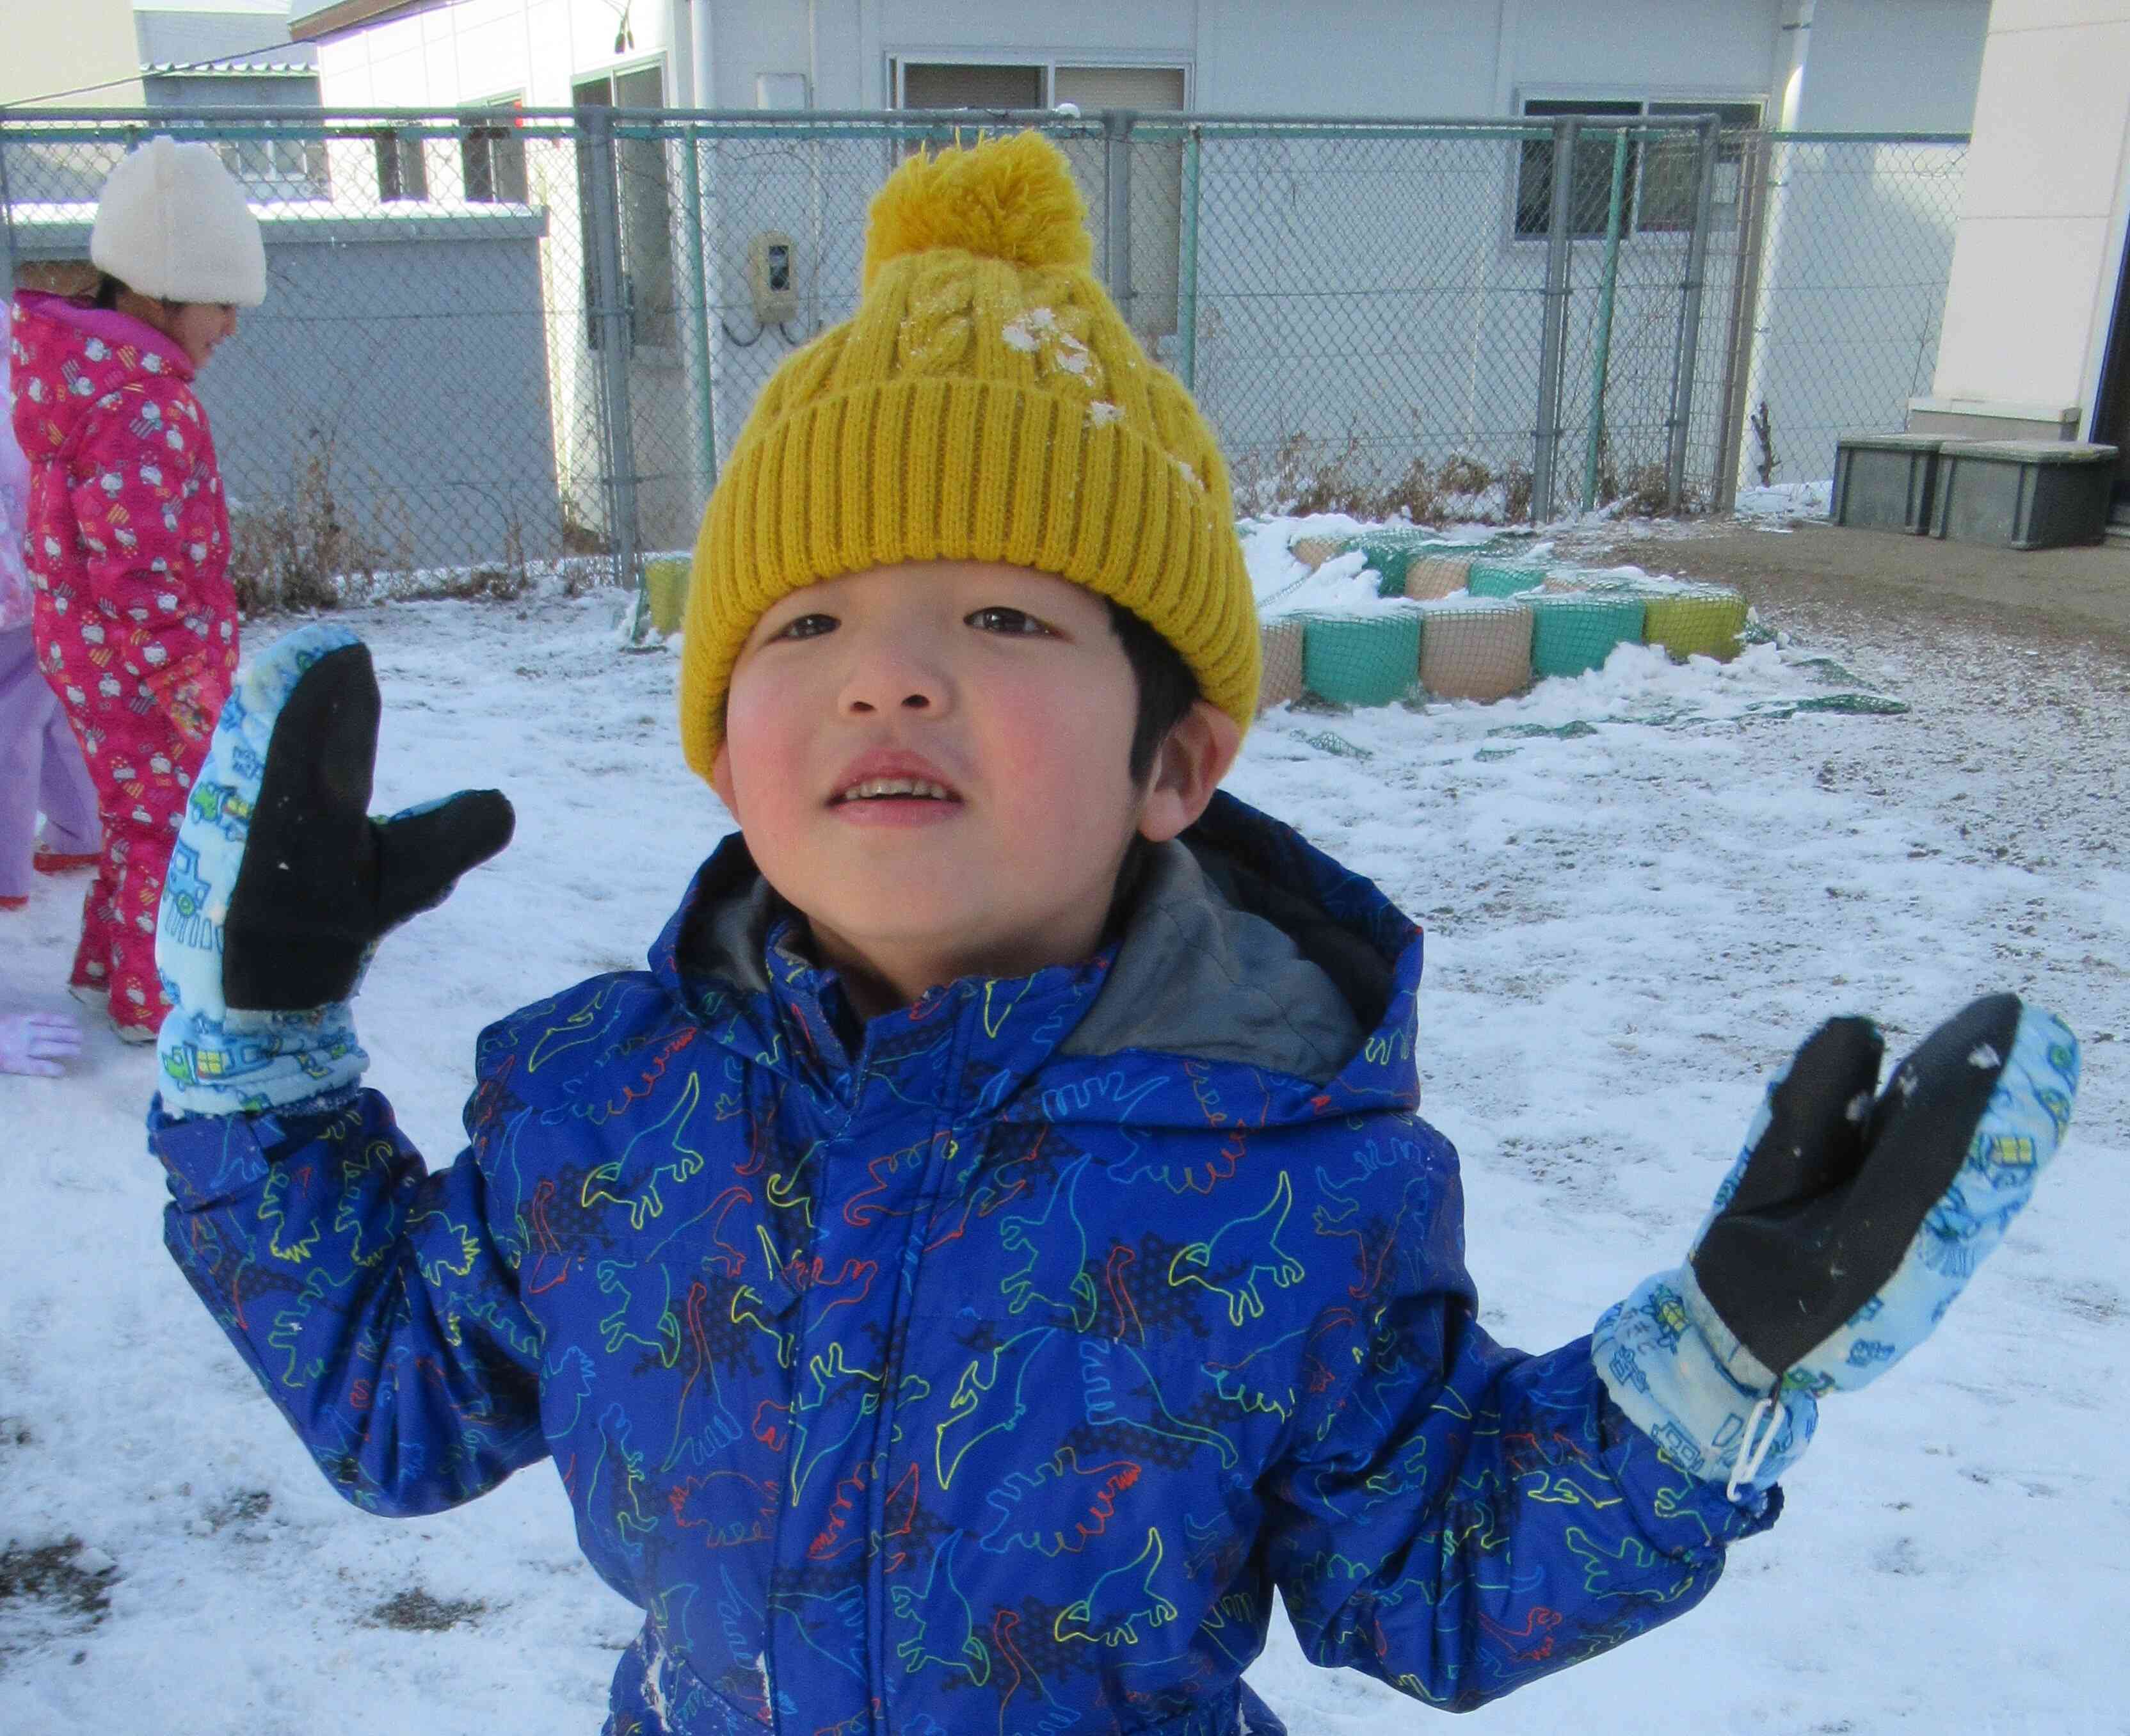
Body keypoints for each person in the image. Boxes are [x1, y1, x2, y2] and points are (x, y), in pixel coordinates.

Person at [144, 134, 2078, 1735]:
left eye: (1000, 621)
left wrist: (1707, 1373)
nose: (884, 675)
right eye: (803, 625)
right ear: (724, 747)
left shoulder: (1290, 1179)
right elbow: (396, 1395)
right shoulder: (593, 1104)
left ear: (1176, 761)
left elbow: (1430, 1568)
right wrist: (264, 1051)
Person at [11, 136, 261, 1039]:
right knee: (171, 823)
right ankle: (154, 1003)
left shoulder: (89, 385)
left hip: (92, 652)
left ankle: (100, 971)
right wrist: (185, 680)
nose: (230, 326)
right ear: (158, 289)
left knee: (133, 817)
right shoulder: (144, 405)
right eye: (221, 304)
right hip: (141, 663)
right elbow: (139, 571)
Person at [0, 329, 101, 913]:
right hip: (44, 560)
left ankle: (6, 871)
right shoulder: (24, 342)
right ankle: (81, 831)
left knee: (12, 722)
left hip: (22, 569)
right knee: (41, 704)